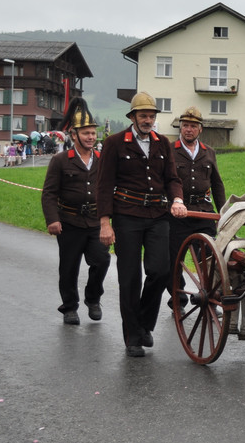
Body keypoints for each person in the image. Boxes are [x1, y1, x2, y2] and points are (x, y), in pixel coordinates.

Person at [97, 91, 187, 357]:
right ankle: (133, 337)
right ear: (133, 117)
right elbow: (104, 185)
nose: (148, 120)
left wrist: (177, 199)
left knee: (160, 270)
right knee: (130, 278)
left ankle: (145, 324)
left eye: (151, 116)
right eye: (143, 116)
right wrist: (105, 223)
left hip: (158, 215)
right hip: (126, 216)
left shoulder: (163, 143)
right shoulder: (115, 143)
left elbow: (172, 178)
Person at [41, 98, 111, 325]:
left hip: (95, 222)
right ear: (74, 135)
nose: (91, 137)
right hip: (69, 222)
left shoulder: (102, 160)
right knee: (69, 268)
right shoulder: (60, 160)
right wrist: (52, 220)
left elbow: (110, 190)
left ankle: (93, 298)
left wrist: (110, 221)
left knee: (102, 261)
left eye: (93, 133)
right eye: (86, 133)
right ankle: (69, 307)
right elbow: (49, 193)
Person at [167, 106, 227, 309]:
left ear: (200, 129)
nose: (189, 129)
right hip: (177, 214)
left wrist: (223, 212)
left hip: (203, 212)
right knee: (174, 259)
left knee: (209, 257)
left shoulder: (208, 152)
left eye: (193, 126)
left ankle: (211, 296)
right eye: (185, 125)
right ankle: (178, 297)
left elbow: (217, 184)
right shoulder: (170, 150)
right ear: (180, 127)